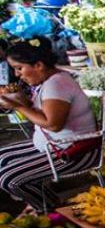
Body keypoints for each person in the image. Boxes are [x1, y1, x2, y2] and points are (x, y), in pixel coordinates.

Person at [0, 37, 99, 210]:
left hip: (74, 152)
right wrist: (22, 101)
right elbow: (43, 112)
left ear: (39, 65)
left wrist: (18, 106)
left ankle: (51, 209)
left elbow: (53, 124)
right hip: (55, 145)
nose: (17, 74)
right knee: (2, 158)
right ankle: (42, 200)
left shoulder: (57, 84)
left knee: (10, 180)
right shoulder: (49, 80)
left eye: (19, 68)